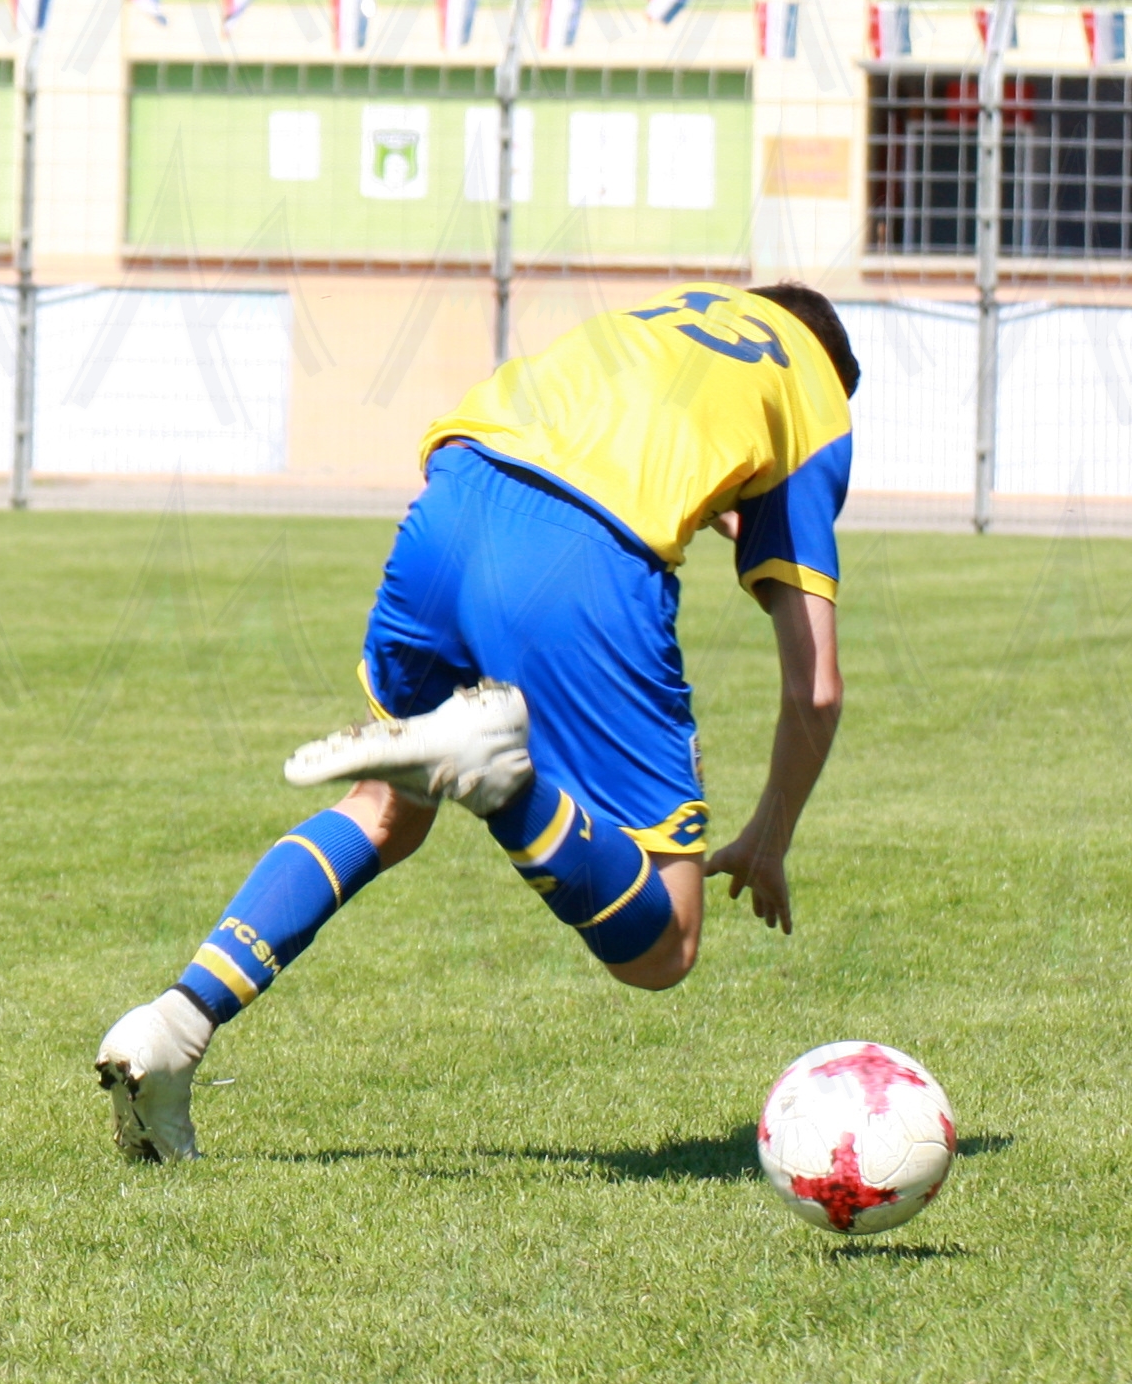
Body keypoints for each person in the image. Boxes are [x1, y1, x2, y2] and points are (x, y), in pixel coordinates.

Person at [95, 282, 858, 1162]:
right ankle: (503, 786)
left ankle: (174, 1027)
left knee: (386, 810)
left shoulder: (673, 316)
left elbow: (651, 440)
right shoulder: (814, 389)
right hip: (581, 554)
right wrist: (768, 837)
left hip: (454, 500)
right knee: (666, 945)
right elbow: (815, 687)